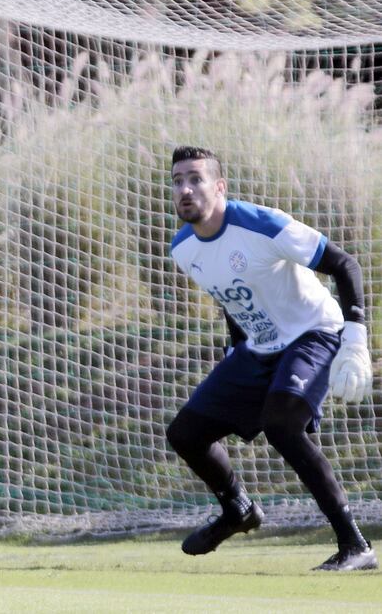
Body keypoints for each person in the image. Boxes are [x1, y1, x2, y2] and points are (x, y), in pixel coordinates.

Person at [166, 145, 377, 571]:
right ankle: (237, 510)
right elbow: (232, 297)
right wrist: (233, 350)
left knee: (282, 425)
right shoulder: (183, 248)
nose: (185, 189)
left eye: (196, 179)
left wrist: (355, 337)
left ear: (220, 187)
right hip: (257, 347)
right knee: (185, 434)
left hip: (314, 332)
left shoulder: (264, 225)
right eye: (177, 181)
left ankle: (355, 545)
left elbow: (344, 264)